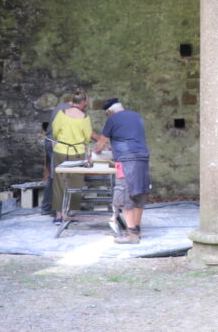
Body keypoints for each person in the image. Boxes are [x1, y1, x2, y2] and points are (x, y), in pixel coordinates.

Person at [93, 97, 150, 245]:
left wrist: (96, 151)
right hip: (142, 158)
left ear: (110, 111)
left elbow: (101, 142)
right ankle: (136, 228)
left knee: (123, 194)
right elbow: (130, 137)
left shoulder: (113, 119)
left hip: (126, 160)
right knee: (139, 193)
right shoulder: (136, 116)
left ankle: (131, 235)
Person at [49, 93, 93, 224]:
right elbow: (87, 137)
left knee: (59, 183)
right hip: (77, 152)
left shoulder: (61, 114)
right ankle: (72, 214)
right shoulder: (84, 117)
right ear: (82, 102)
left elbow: (55, 131)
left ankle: (58, 215)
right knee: (76, 183)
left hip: (61, 150)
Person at [40, 89, 83, 215]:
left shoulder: (62, 107)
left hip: (52, 142)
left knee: (56, 174)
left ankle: (53, 206)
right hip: (56, 144)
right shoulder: (68, 111)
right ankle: (50, 208)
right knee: (56, 175)